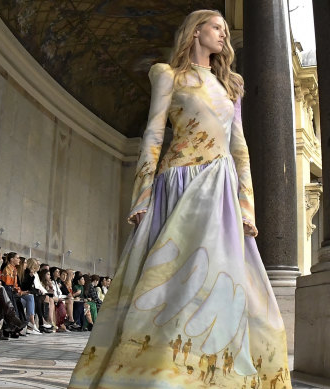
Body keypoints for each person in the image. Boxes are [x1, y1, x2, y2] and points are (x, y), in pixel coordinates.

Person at [69, 10, 291, 388]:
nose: (223, 35)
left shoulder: (231, 86)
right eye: (216, 27)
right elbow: (154, 135)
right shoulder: (166, 75)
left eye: (225, 29)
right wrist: (141, 196)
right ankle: (156, 374)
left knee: (217, 280)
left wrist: (246, 205)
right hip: (176, 184)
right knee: (168, 281)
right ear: (195, 31)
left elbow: (240, 149)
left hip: (218, 189)